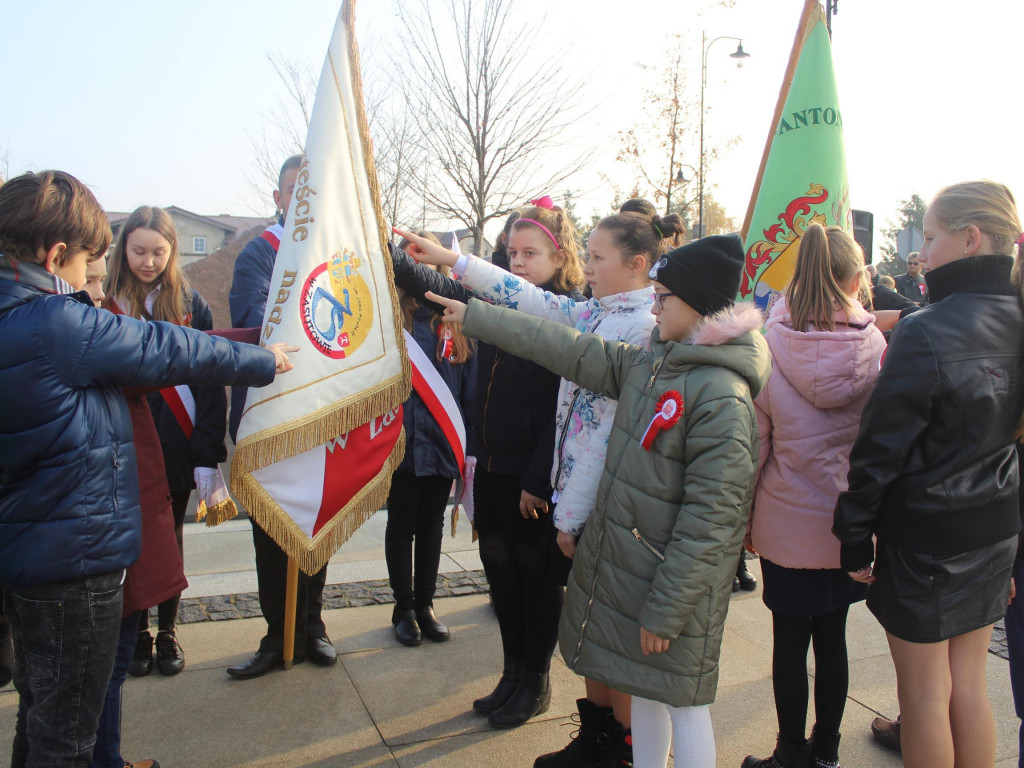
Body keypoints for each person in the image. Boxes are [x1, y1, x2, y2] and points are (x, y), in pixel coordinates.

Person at [424, 233, 770, 768]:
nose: (653, 307)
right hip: (642, 571)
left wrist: (667, 609)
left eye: (664, 298)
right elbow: (571, 349)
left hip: (671, 591)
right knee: (649, 693)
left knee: (684, 704)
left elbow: (712, 524)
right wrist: (478, 318)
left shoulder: (721, 397)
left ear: (698, 308)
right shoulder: (658, 362)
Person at [0, 169, 295, 768]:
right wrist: (263, 359)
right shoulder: (53, 322)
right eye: (89, 258)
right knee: (68, 736)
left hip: (31, 551)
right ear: (55, 255)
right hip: (73, 560)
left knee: (43, 712)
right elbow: (167, 347)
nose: (91, 273)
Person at [397, 209, 685, 764]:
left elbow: (597, 433)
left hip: (588, 503)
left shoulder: (639, 329)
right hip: (567, 496)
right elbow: (527, 307)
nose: (590, 267)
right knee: (587, 628)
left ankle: (617, 743)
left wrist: (566, 514)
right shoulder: (592, 312)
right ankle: (597, 733)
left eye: (598, 258)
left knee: (601, 631)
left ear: (638, 265)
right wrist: (452, 260)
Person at [833, 180, 1024, 768]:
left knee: (924, 694)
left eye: (933, 237)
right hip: (993, 531)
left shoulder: (927, 329)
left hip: (926, 542)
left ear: (970, 240)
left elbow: (880, 449)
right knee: (966, 687)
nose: (923, 252)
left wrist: (854, 531)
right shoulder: (1013, 318)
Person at [391, 199, 586, 729]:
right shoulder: (494, 299)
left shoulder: (570, 310)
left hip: (534, 474)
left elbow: (562, 411)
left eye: (531, 253)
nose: (518, 262)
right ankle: (511, 673)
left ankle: (536, 681)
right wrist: (387, 250)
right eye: (511, 252)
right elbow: (439, 288)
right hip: (492, 464)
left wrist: (536, 480)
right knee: (499, 573)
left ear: (559, 255)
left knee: (535, 580)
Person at [742, 225, 886, 768]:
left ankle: (790, 753)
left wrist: (746, 521)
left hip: (786, 519)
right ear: (856, 278)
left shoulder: (769, 346)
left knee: (788, 644)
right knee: (834, 639)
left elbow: (756, 445)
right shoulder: (875, 346)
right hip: (850, 524)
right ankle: (827, 752)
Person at [101, 206, 225, 679]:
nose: (148, 261)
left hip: (177, 440)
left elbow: (212, 383)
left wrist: (207, 451)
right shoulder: (107, 303)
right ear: (122, 249)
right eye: (138, 251)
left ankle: (169, 630)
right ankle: (136, 633)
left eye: (158, 251)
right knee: (129, 541)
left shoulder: (192, 305)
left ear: (172, 252)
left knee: (169, 538)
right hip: (124, 442)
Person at [226, 155, 338, 678]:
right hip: (269, 412)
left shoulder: (339, 253)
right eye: (296, 190)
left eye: (314, 190)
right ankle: (277, 635)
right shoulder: (257, 252)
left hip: (321, 410)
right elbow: (253, 321)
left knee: (317, 520)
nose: (305, 199)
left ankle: (312, 626)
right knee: (272, 530)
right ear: (278, 198)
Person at [83, 260, 171, 768]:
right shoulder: (73, 334)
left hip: (109, 517)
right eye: (91, 278)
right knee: (97, 671)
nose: (100, 293)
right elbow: (172, 353)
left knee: (105, 668)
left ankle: (107, 758)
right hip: (93, 529)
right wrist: (259, 354)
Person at [387, 231, 476, 647]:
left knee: (432, 527)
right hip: (401, 442)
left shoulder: (457, 324)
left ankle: (425, 603)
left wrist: (468, 445)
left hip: (442, 441)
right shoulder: (391, 320)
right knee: (402, 525)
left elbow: (466, 389)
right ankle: (403, 606)